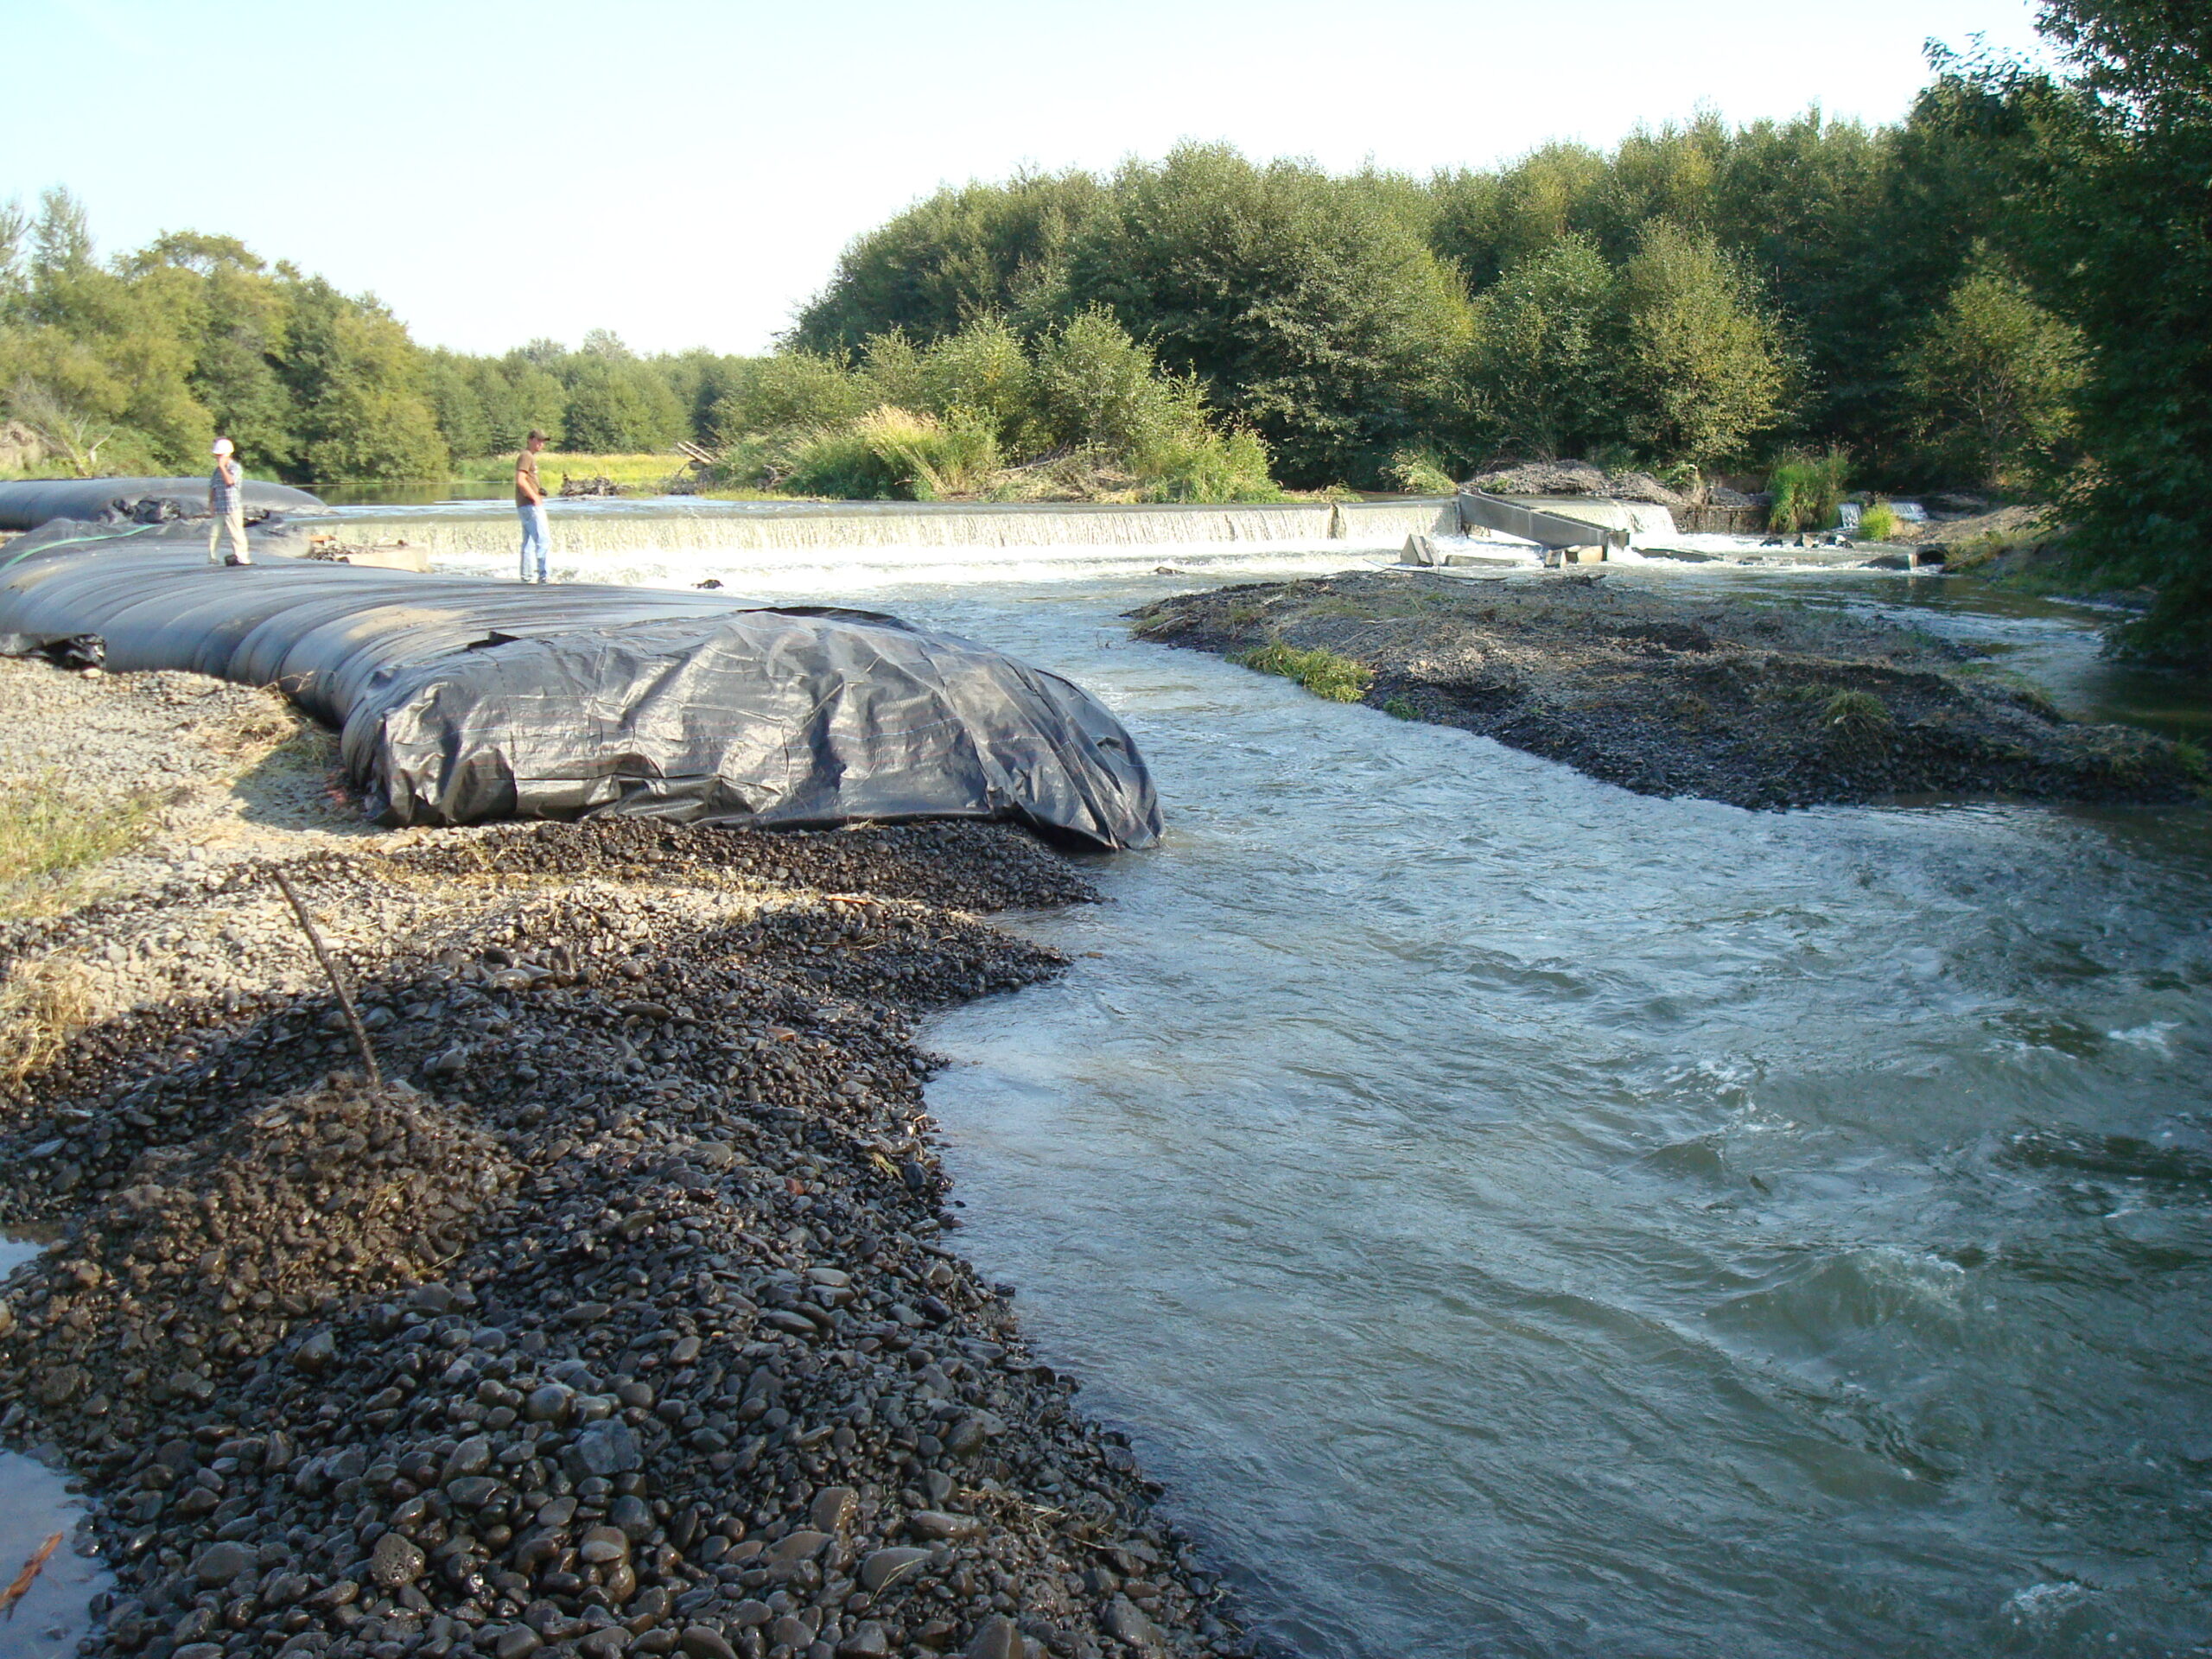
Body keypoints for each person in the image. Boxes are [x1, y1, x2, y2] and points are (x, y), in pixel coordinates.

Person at [207, 438, 251, 566]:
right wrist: (211, 504)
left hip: (232, 507)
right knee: (214, 534)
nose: (217, 458)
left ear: (227, 455)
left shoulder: (235, 468)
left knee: (237, 534)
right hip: (219, 507)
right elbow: (212, 487)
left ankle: (242, 558)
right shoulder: (216, 471)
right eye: (217, 455)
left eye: (219, 455)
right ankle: (212, 558)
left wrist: (222, 467)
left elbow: (230, 481)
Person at [516, 429, 551, 582]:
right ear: (530, 439)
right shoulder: (526, 456)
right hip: (530, 505)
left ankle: (527, 577)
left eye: (542, 441)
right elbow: (520, 480)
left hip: (524, 505)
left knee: (529, 542)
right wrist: (535, 497)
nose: (541, 444)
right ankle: (545, 576)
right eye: (538, 440)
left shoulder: (528, 456)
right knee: (543, 540)